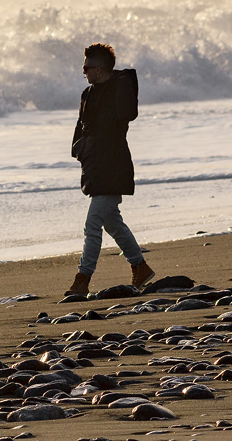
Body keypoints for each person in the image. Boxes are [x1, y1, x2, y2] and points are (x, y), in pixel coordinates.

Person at [66, 43, 154, 296]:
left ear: (100, 69)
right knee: (111, 222)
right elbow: (80, 128)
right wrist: (78, 149)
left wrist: (121, 82)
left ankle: (82, 279)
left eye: (87, 67)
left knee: (93, 223)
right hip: (94, 165)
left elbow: (128, 114)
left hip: (114, 165)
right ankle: (140, 266)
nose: (83, 71)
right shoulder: (88, 93)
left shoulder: (120, 88)